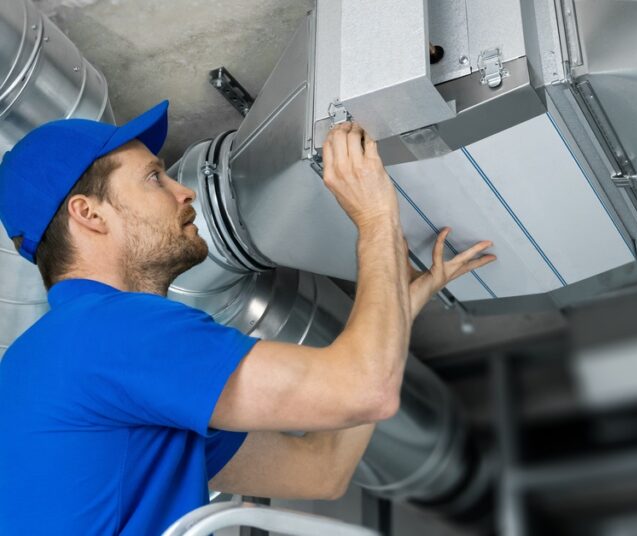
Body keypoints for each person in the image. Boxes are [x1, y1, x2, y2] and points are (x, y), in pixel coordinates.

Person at [0, 101, 496, 534]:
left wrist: (397, 311)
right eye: (154, 176)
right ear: (89, 214)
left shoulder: (60, 358)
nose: (183, 191)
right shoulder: (109, 333)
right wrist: (375, 218)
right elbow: (367, 390)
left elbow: (319, 472)